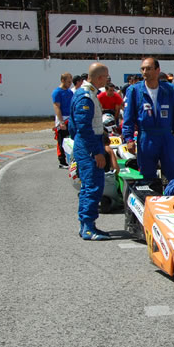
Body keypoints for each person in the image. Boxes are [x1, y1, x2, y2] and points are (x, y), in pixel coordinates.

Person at [121, 57, 174, 182]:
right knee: (147, 175)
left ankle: (173, 193)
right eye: (143, 69)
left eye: (148, 69)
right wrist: (129, 138)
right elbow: (128, 116)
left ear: (157, 70)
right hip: (146, 137)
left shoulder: (170, 89)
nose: (145, 72)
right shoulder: (134, 90)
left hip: (167, 136)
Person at [69, 63, 111, 241]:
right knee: (92, 185)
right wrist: (96, 152)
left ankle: (88, 225)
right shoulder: (86, 96)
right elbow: (83, 127)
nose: (107, 79)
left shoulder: (86, 93)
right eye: (106, 76)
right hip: (89, 146)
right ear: (99, 77)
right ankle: (87, 227)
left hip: (89, 143)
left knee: (92, 185)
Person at [52, 72, 74, 168]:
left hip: (70, 118)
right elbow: (57, 107)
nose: (70, 84)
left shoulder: (70, 92)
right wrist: (61, 122)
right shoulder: (57, 92)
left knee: (71, 140)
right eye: (68, 82)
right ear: (62, 80)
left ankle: (71, 159)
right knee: (62, 141)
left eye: (71, 82)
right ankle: (62, 161)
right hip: (62, 119)